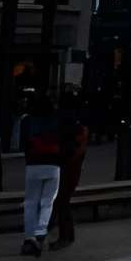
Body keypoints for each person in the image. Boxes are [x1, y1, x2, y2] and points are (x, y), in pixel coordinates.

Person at [15, 103, 67, 258]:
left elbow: (22, 144)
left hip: (33, 163)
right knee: (47, 201)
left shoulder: (28, 121)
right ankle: (41, 230)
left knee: (31, 201)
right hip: (53, 163)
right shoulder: (57, 121)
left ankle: (29, 236)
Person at [49, 95, 89, 250]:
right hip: (70, 166)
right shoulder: (78, 125)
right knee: (62, 201)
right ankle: (65, 234)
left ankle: (65, 235)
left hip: (66, 166)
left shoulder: (66, 124)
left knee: (62, 201)